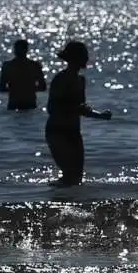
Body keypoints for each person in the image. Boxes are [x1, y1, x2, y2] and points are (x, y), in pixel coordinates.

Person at [45, 41, 111, 186]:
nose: (86, 58)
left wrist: (100, 115)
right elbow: (52, 108)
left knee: (77, 177)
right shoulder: (60, 79)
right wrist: (74, 109)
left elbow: (82, 109)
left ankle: (68, 201)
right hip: (57, 131)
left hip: (73, 131)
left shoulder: (81, 80)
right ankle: (56, 201)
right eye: (83, 55)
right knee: (69, 174)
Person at [0, 39, 47, 110]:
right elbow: (43, 87)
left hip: (19, 103)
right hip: (26, 103)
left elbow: (43, 87)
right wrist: (27, 89)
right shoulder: (34, 65)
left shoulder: (8, 66)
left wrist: (18, 89)